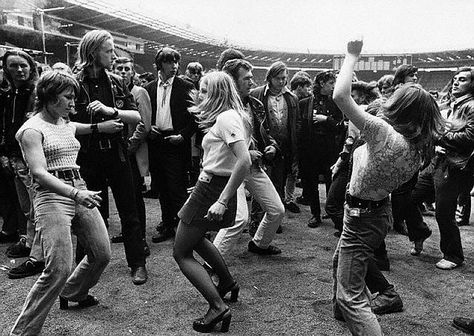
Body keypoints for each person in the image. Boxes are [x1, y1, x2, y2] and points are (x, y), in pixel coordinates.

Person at [332, 39, 443, 336]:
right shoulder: (421, 146)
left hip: (361, 215)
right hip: (377, 213)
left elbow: (341, 95)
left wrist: (351, 55)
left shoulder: (383, 134)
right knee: (342, 261)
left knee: (351, 297)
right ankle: (341, 314)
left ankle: (350, 314)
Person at [11, 70, 111, 335]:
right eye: (68, 97)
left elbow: (80, 129)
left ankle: (73, 291)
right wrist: (75, 194)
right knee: (58, 268)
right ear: (50, 96)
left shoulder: (64, 122)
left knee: (102, 253)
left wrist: (106, 123)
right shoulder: (31, 130)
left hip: (77, 186)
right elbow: (39, 173)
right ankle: (22, 332)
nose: (73, 103)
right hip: (51, 194)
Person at [173, 71, 251, 333]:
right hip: (209, 184)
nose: (200, 94)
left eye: (205, 90)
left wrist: (222, 199)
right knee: (197, 239)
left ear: (218, 93)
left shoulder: (226, 118)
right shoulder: (234, 116)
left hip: (213, 189)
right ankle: (227, 283)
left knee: (181, 252)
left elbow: (244, 161)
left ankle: (217, 307)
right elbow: (227, 160)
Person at [70, 29, 148, 285]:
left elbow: (136, 117)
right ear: (93, 52)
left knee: (130, 211)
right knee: (90, 214)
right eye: (109, 50)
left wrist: (110, 111)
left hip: (117, 154)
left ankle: (137, 264)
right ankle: (86, 267)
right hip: (87, 157)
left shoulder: (116, 81)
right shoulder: (72, 82)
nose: (113, 55)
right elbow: (64, 123)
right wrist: (98, 127)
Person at [213, 58, 284, 257]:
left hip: (253, 166)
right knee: (239, 220)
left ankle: (259, 244)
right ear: (232, 82)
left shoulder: (256, 104)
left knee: (277, 210)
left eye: (251, 78)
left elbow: (264, 133)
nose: (252, 83)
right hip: (230, 169)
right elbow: (215, 145)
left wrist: (272, 146)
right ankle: (212, 264)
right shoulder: (220, 108)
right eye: (247, 79)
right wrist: (245, 152)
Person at [0, 50, 46, 280]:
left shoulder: (37, 92)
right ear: (6, 70)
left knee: (39, 208)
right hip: (15, 157)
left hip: (31, 158)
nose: (19, 70)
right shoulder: (10, 93)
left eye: (23, 66)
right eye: (13, 66)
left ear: (31, 67)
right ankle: (28, 243)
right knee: (27, 207)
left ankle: (38, 257)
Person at [145, 47, 196, 243]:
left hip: (177, 143)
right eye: (169, 62)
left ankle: (183, 228)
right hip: (157, 142)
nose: (174, 66)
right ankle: (167, 224)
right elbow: (143, 116)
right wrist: (149, 128)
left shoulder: (187, 86)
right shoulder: (148, 88)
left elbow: (196, 117)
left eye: (176, 62)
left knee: (178, 188)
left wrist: (183, 136)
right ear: (160, 65)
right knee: (162, 187)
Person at [250, 61, 298, 232]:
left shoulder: (291, 98)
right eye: (278, 78)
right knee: (259, 187)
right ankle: (256, 222)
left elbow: (294, 126)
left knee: (278, 185)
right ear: (269, 78)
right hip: (261, 148)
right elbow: (252, 124)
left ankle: (273, 221)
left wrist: (286, 149)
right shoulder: (255, 94)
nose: (282, 81)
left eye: (284, 78)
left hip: (282, 150)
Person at [111, 56, 152, 256]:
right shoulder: (110, 93)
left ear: (132, 73)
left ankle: (140, 237)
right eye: (119, 68)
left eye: (127, 69)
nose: (123, 72)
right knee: (122, 196)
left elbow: (144, 124)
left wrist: (129, 146)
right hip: (115, 153)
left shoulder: (139, 92)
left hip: (131, 153)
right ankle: (128, 232)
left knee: (135, 196)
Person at [298, 70, 345, 227]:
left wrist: (326, 120)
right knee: (311, 183)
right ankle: (315, 214)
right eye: (331, 83)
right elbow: (300, 128)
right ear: (322, 84)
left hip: (330, 149)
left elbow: (342, 127)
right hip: (310, 150)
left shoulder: (337, 102)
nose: (333, 86)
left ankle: (331, 211)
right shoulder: (305, 103)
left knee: (331, 181)